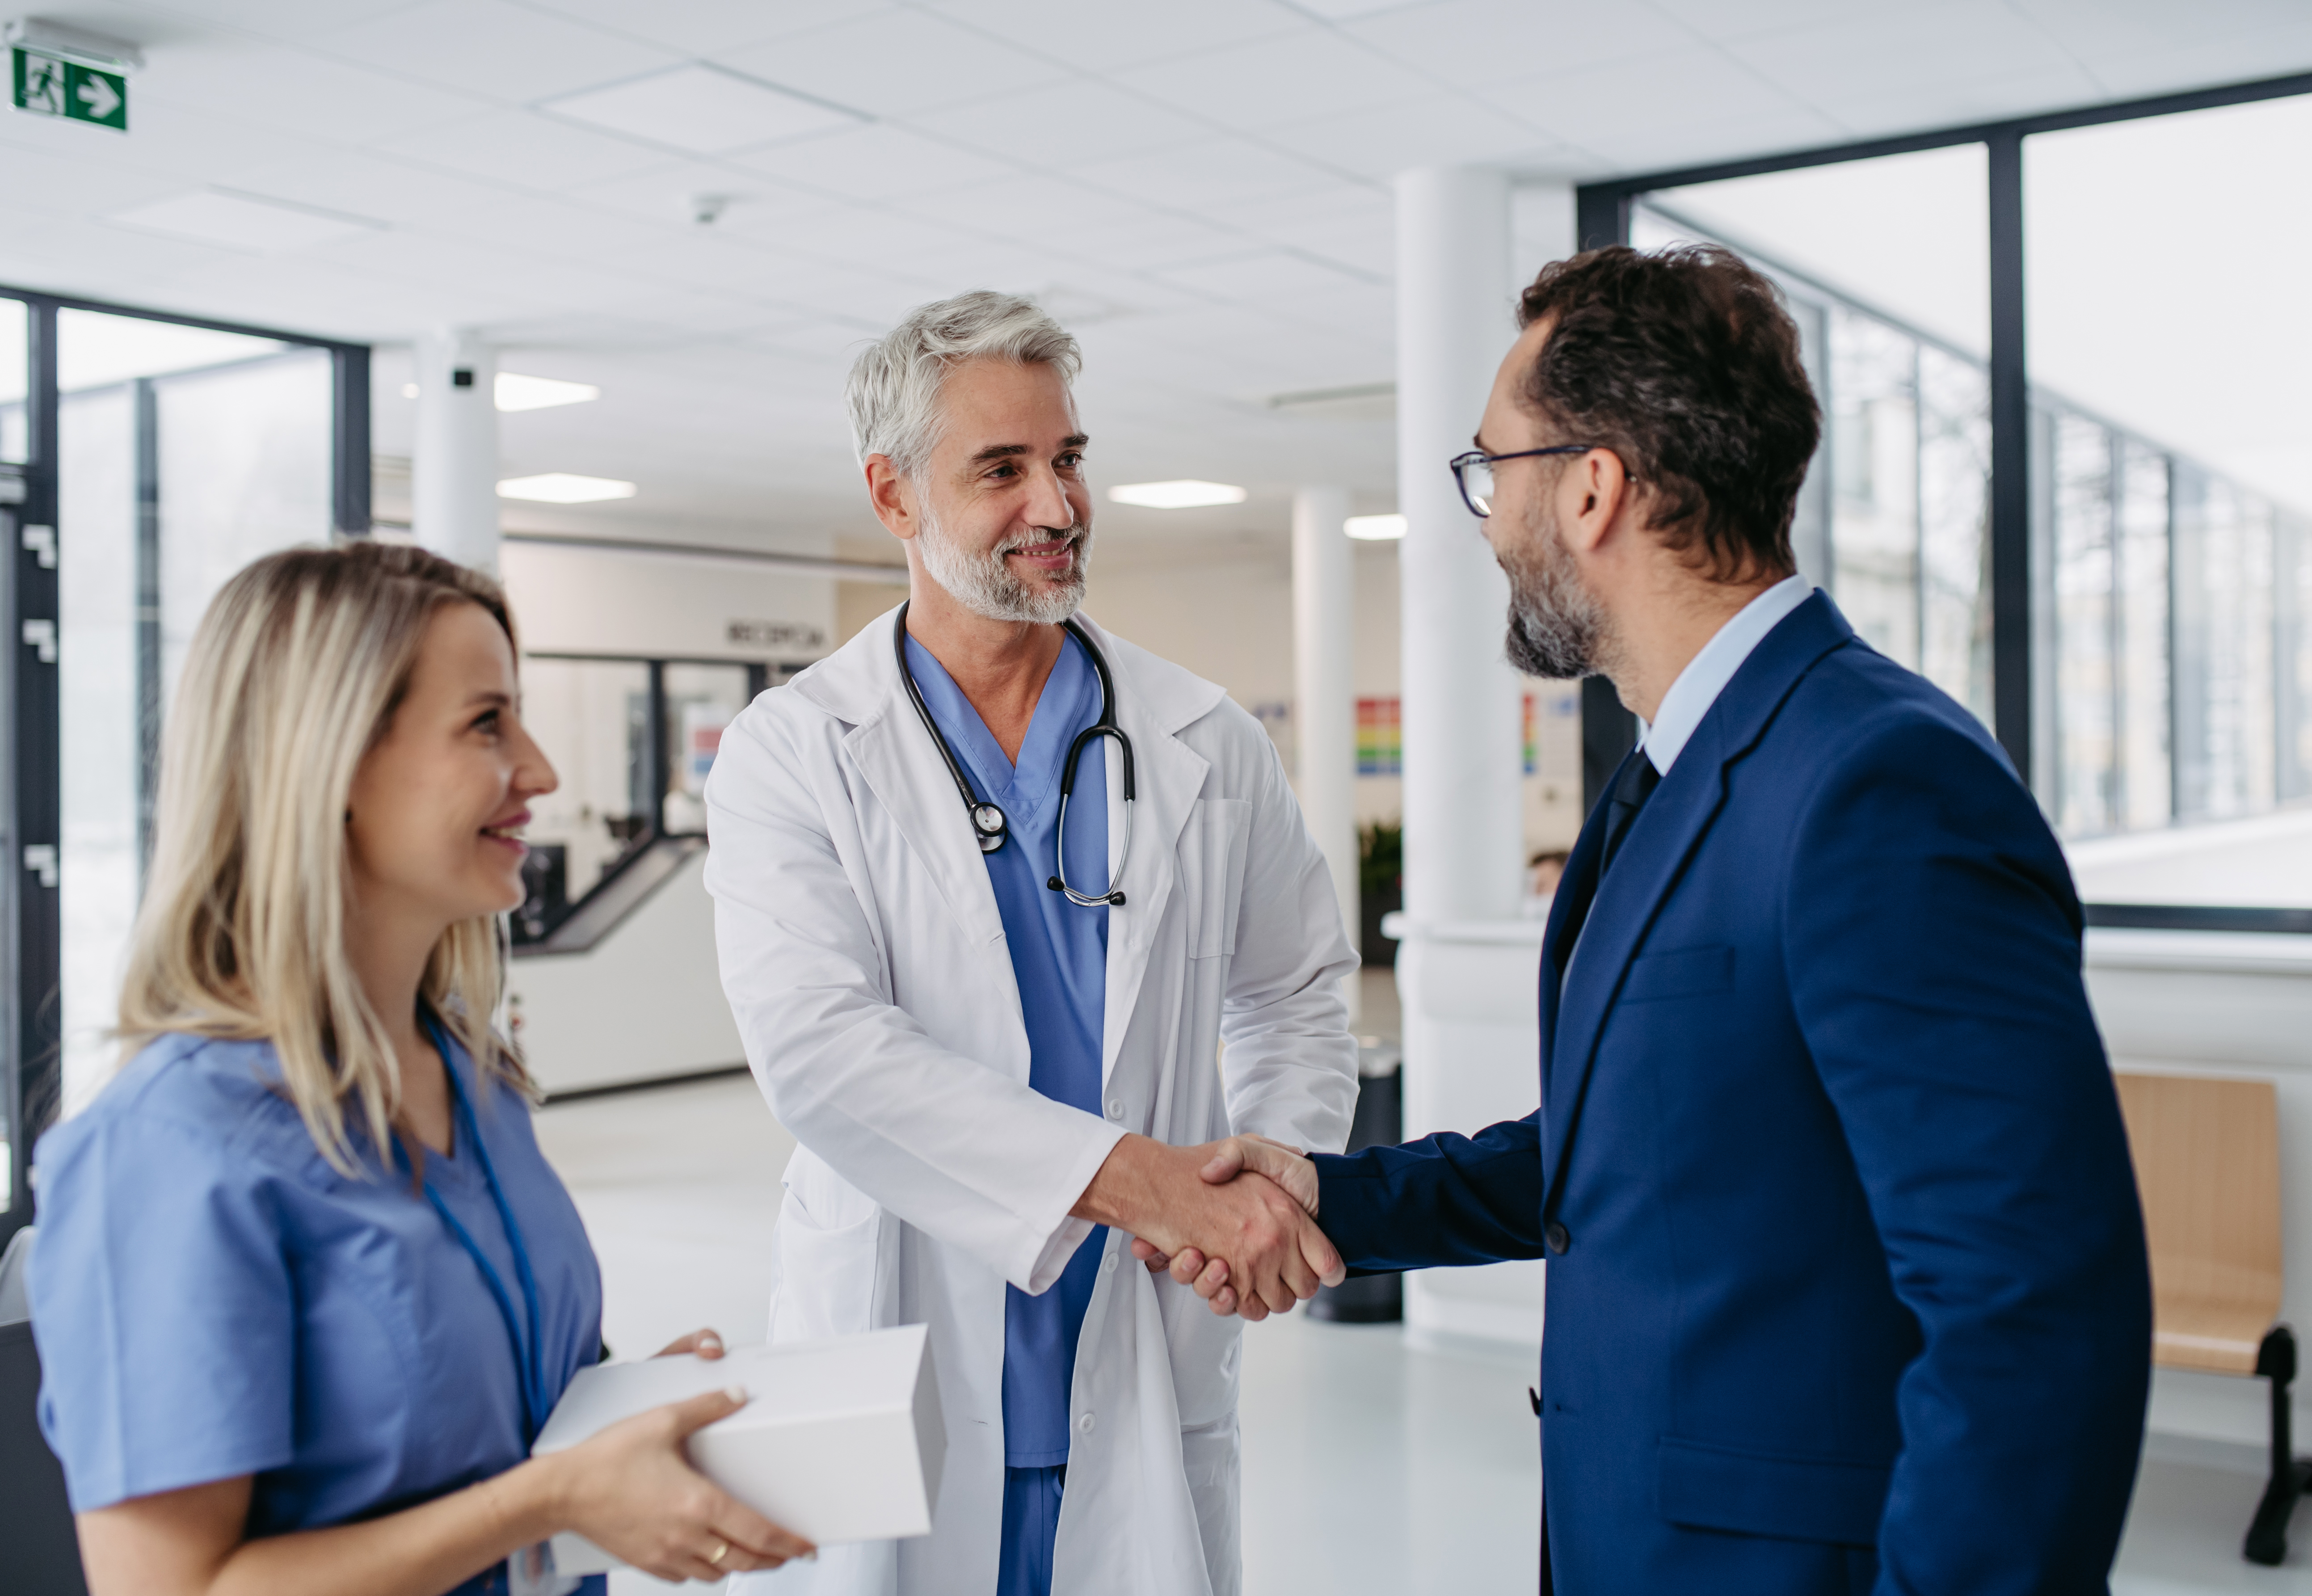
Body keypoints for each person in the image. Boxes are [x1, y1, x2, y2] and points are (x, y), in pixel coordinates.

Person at [1162, 246, 2153, 1594]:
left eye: (1490, 470)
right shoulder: (1674, 774)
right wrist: (1331, 1192)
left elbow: (2029, 1313)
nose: (1485, 517)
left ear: (1587, 486)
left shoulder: (1874, 784)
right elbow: (1629, 1158)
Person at [703, 291, 1357, 1596]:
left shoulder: (1201, 738)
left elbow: (1291, 989)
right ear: (893, 496)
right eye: (999, 469)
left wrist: (1271, 1175)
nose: (1054, 506)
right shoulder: (795, 749)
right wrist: (1150, 1186)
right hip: (908, 1330)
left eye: (1066, 460)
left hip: (1142, 1324)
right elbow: (818, 1054)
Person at [27, 543, 814, 1596]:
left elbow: (489, 1426)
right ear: (332, 761)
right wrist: (553, 1497)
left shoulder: (470, 1078)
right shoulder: (166, 1151)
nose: (539, 771)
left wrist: (617, 1415)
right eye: (487, 723)